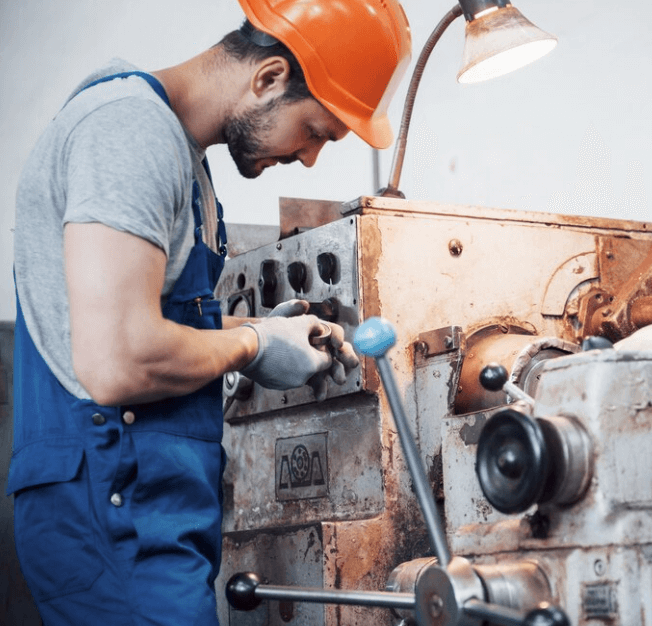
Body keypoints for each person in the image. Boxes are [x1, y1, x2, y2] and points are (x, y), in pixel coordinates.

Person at [7, 0, 411, 624]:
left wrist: (267, 334)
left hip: (148, 505)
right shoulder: (129, 131)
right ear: (269, 78)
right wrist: (251, 343)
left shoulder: (181, 157)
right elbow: (117, 361)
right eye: (316, 131)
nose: (309, 158)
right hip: (114, 500)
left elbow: (145, 324)